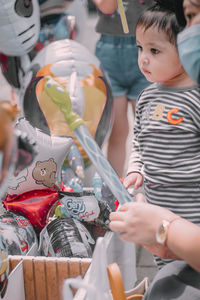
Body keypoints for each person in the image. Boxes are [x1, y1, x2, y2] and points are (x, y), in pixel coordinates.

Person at [109, 0, 200, 298]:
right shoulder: (147, 97)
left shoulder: (195, 99)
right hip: (158, 208)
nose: (143, 59)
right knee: (167, 267)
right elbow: (139, 139)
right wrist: (136, 167)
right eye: (140, 49)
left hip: (191, 212)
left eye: (155, 50)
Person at [92, 0, 153, 177]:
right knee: (118, 131)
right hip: (109, 53)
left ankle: (157, 189)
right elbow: (106, 7)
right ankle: (115, 190)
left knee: (149, 131)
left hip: (147, 47)